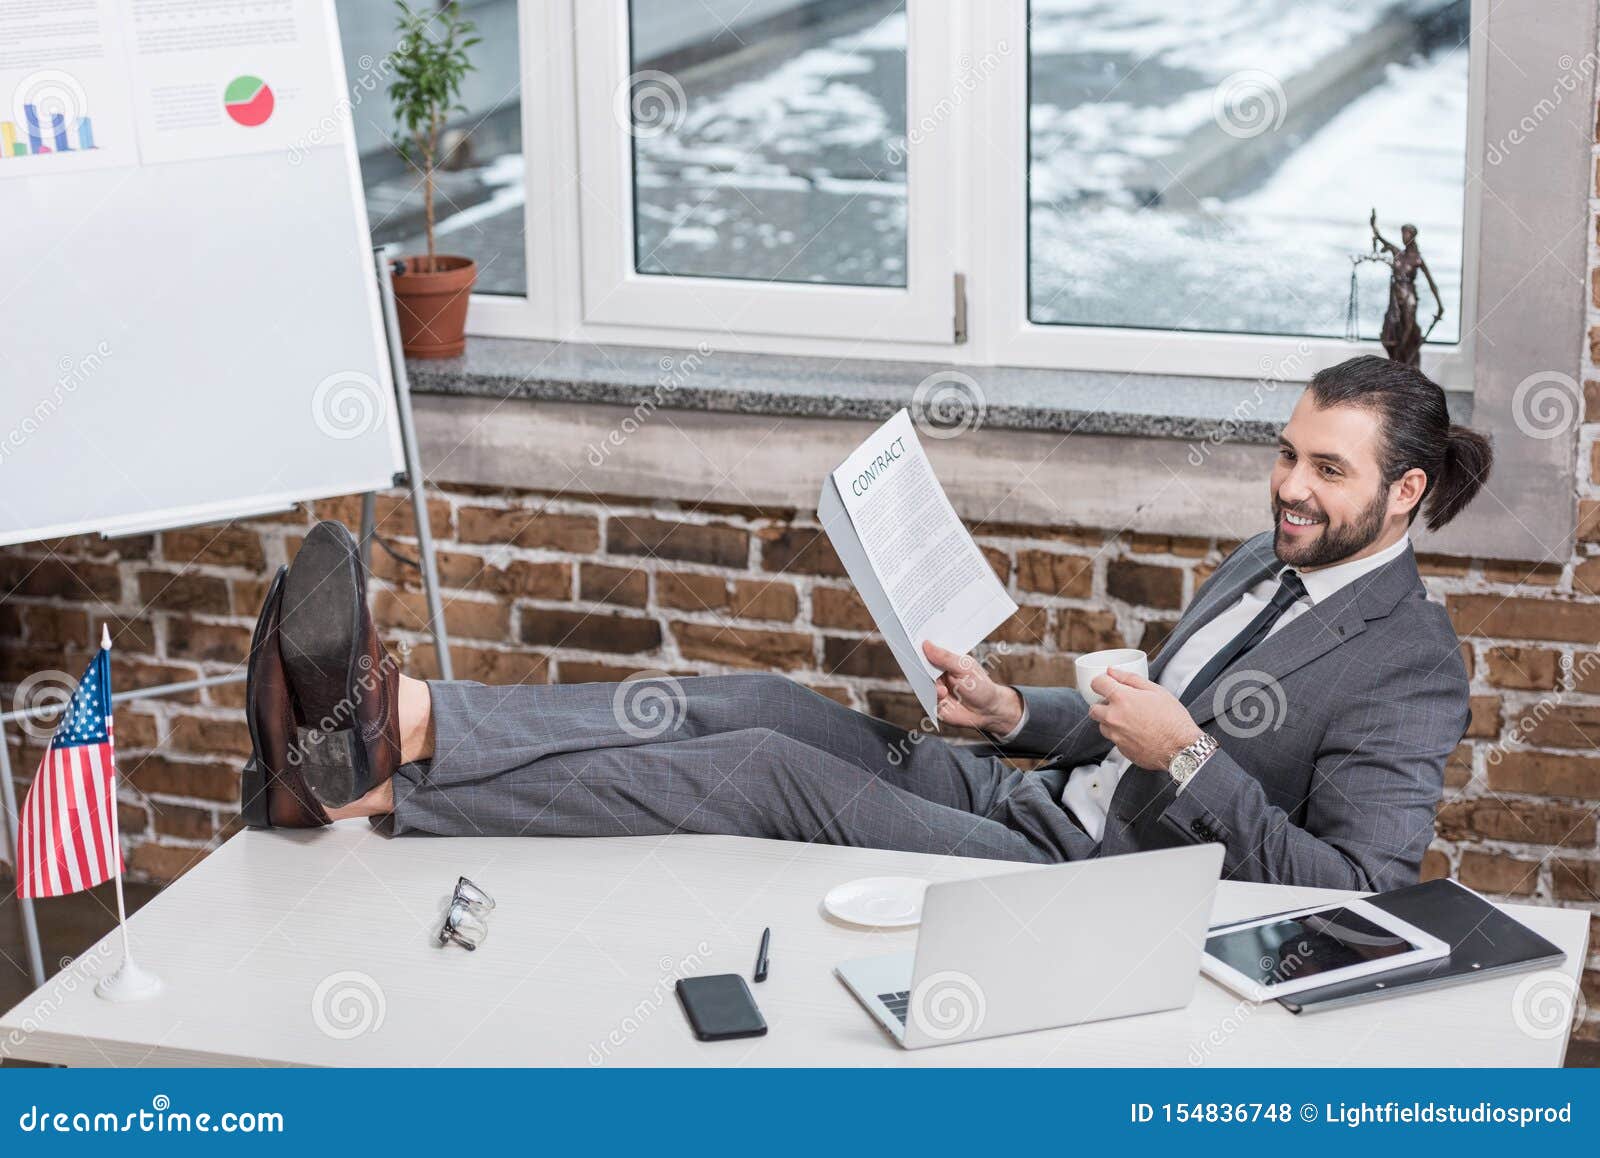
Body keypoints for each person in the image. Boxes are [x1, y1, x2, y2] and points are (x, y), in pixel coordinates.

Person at [241, 355, 1491, 891]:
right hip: (1031, 801)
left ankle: (371, 796)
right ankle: (399, 721)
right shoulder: (1264, 558)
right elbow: (1125, 727)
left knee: (758, 770)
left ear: (1405, 493)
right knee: (757, 700)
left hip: (1083, 881)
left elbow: (1365, 889)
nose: (1287, 487)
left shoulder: (1406, 665)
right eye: (1285, 455)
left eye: (1326, 471)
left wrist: (1192, 759)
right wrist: (1018, 715)